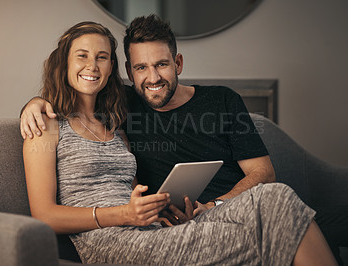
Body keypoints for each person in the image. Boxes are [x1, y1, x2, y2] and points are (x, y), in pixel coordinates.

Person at [22, 19, 338, 265]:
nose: (92, 66)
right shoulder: (45, 123)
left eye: (102, 57)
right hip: (113, 239)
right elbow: (44, 215)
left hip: (156, 226)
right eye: (82, 56)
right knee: (281, 219)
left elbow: (132, 192)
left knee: (278, 196)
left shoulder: (116, 122)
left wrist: (155, 211)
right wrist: (34, 102)